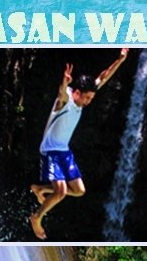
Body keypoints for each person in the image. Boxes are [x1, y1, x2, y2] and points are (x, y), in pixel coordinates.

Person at [29, 49, 129, 239]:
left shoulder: (83, 98)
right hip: (50, 150)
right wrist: (64, 82)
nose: (89, 102)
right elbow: (61, 96)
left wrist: (120, 60)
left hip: (64, 150)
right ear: (77, 92)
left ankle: (40, 189)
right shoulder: (65, 100)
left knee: (79, 190)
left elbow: (103, 77)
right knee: (61, 191)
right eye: (87, 98)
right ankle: (36, 217)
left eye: (91, 98)